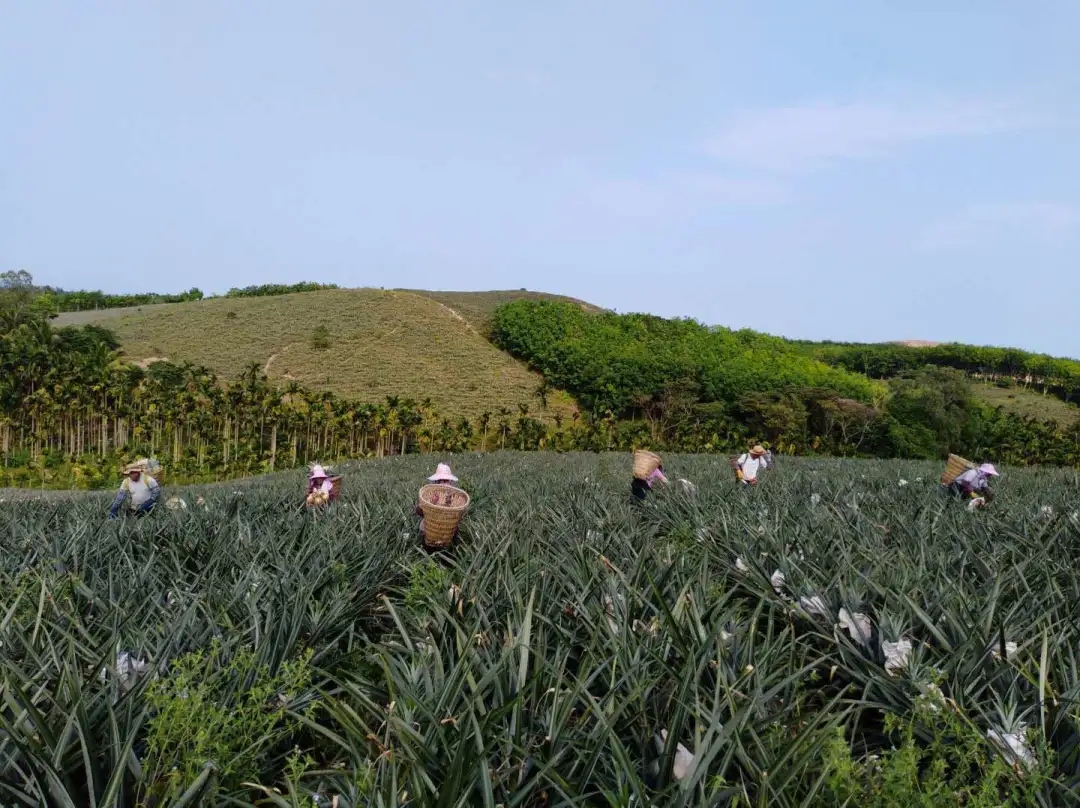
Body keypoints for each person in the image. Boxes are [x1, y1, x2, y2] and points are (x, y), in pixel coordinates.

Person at [418, 463, 460, 542]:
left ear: (450, 482)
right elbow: (419, 511)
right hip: (431, 526)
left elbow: (458, 513)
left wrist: (449, 502)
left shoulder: (455, 496)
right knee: (425, 532)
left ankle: (453, 545)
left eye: (446, 481)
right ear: (436, 482)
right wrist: (431, 503)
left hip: (447, 526)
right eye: (440, 481)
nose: (443, 484)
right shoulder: (431, 493)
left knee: (456, 529)